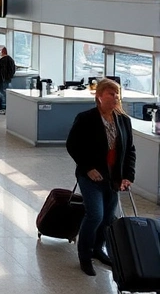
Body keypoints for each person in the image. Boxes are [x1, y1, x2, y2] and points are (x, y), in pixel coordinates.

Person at [66, 78, 136, 276]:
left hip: (113, 177)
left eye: (117, 94)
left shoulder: (123, 120)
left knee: (107, 218)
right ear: (99, 96)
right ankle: (85, 255)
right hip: (91, 176)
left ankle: (98, 249)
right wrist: (88, 168)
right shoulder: (86, 118)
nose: (115, 97)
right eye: (111, 94)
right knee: (95, 214)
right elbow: (73, 145)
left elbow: (130, 150)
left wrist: (128, 176)